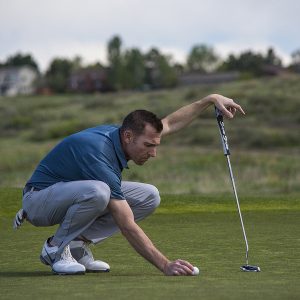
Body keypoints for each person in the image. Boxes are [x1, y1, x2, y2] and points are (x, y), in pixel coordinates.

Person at [13, 94, 245, 276]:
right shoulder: (99, 155)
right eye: (148, 145)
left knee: (149, 196)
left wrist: (209, 100)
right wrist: (165, 265)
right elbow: (126, 224)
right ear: (128, 137)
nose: (153, 153)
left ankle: (75, 244)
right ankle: (55, 248)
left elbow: (171, 123)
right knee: (99, 192)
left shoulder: (124, 134)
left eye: (156, 145)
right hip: (38, 201)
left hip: (66, 195)